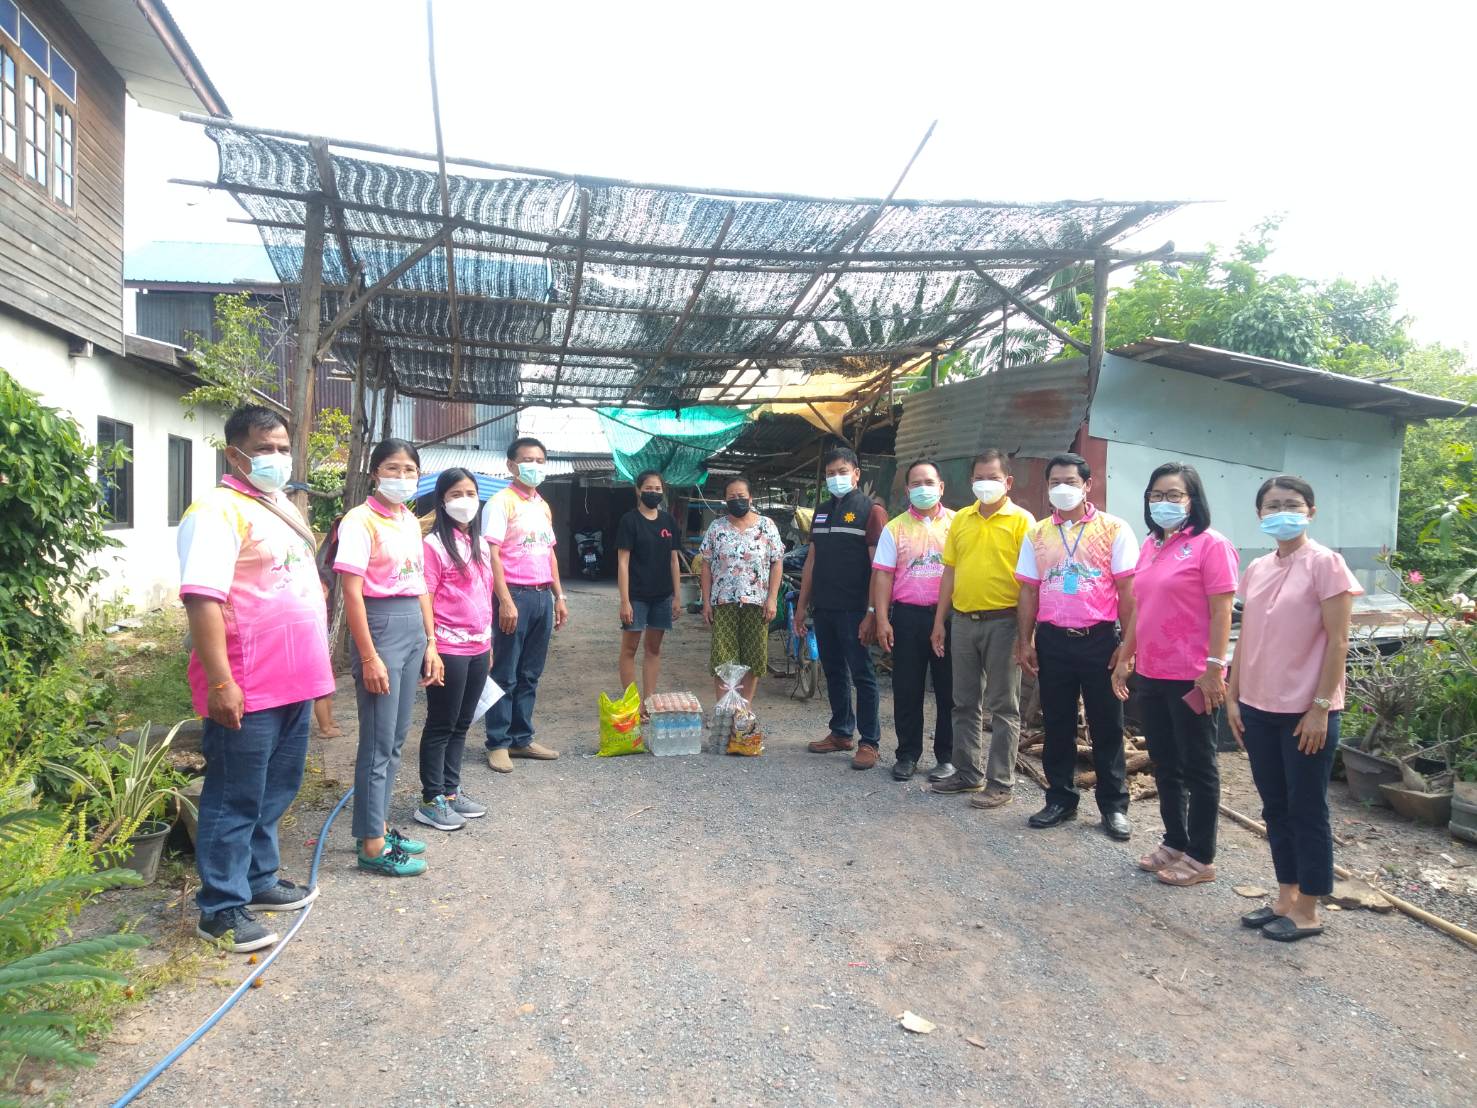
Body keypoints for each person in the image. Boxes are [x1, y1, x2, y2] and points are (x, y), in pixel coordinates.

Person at [177, 404, 334, 952]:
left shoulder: (279, 506)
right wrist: (222, 683)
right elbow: (202, 599)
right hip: (248, 680)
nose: (276, 457)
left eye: (283, 448)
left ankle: (259, 878)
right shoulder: (216, 510)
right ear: (234, 453)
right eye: (264, 448)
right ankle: (220, 908)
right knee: (235, 795)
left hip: (295, 677)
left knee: (277, 787)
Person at [1227, 475, 1360, 942]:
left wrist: (1321, 707)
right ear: (1259, 514)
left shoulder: (1326, 564)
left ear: (1311, 512)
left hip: (1306, 711)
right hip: (1258, 706)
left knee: (1306, 808)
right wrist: (1233, 696)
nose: (1281, 512)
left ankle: (1309, 909)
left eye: (1292, 504)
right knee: (1275, 806)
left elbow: (1338, 641)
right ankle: (1285, 896)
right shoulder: (1259, 568)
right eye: (1272, 505)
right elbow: (1246, 637)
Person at [1112, 463, 1239, 886]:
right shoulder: (1152, 544)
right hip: (1153, 670)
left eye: (1173, 495)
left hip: (1193, 675)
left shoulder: (1211, 545)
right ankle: (1175, 841)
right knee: (1165, 762)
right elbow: (1141, 609)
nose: (1163, 502)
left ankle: (1201, 857)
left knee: (1198, 765)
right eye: (1156, 495)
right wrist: (1126, 657)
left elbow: (1222, 611)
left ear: (1192, 499)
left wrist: (1214, 669)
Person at [1015, 452, 1138, 840]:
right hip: (1053, 640)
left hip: (1099, 639)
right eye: (1055, 483)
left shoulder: (1114, 529)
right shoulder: (1037, 534)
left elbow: (1129, 592)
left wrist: (1127, 646)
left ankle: (1113, 807)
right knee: (1057, 722)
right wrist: (1025, 640)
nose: (1062, 489)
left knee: (1107, 724)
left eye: (1070, 482)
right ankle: (1060, 799)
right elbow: (1028, 590)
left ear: (1088, 485)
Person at [336, 438, 444, 877]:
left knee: (396, 738)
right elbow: (351, 592)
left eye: (409, 470)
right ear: (375, 473)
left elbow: (420, 585)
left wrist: (431, 642)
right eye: (392, 468)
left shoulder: (408, 520)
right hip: (379, 625)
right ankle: (371, 846)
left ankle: (376, 824)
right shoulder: (359, 521)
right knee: (377, 742)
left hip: (412, 626)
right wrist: (368, 657)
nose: (401, 477)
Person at [928, 450, 1036, 805]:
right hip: (963, 621)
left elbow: (1030, 583)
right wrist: (940, 621)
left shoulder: (1023, 522)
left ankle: (1000, 782)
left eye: (993, 478)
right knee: (963, 702)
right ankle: (967, 773)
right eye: (979, 478)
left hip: (1004, 622)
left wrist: (1026, 635)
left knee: (1004, 706)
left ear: (1008, 482)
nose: (984, 484)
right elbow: (950, 571)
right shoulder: (961, 519)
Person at [798, 447, 888, 770]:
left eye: (842, 472)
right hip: (824, 607)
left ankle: (869, 742)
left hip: (855, 609)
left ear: (856, 474)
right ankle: (841, 732)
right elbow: (812, 561)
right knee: (834, 670)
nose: (836, 478)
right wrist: (801, 606)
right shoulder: (821, 512)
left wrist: (872, 612)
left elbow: (879, 568)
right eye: (830, 473)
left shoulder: (871, 512)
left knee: (862, 674)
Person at [414, 468, 493, 833]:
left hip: (478, 645)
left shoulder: (477, 543)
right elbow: (425, 596)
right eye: (456, 494)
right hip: (447, 646)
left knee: (462, 723)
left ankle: (450, 789)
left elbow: (484, 595)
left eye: (471, 493)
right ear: (442, 501)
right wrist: (430, 645)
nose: (465, 501)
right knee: (442, 723)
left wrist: (488, 642)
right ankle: (431, 800)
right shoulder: (433, 546)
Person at [482, 436, 568, 772]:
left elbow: (550, 553)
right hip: (514, 595)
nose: (534, 466)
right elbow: (491, 554)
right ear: (511, 465)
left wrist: (559, 596)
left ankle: (521, 738)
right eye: (527, 460)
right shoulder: (500, 503)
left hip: (542, 595)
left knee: (530, 673)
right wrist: (504, 600)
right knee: (505, 672)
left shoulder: (542, 505)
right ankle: (498, 742)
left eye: (540, 460)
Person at [871, 460, 956, 781]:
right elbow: (883, 575)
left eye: (929, 482)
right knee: (907, 688)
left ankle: (947, 757)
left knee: (950, 691)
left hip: (949, 618)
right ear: (907, 490)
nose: (923, 489)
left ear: (941, 487)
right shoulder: (895, 528)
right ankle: (907, 755)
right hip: (907, 617)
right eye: (916, 483)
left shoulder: (958, 524)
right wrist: (882, 619)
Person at [699, 475, 784, 706]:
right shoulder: (717, 528)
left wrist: (772, 599)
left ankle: (743, 711)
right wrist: (706, 602)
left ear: (751, 498)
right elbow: (706, 565)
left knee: (753, 656)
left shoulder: (767, 526)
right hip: (723, 602)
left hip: (757, 603)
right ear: (725, 500)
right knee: (722, 658)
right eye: (732, 497)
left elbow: (777, 562)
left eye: (741, 496)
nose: (737, 500)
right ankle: (724, 709)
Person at [616, 469, 682, 707]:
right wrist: (625, 601)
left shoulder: (668, 521)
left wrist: (676, 596)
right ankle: (633, 704)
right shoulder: (629, 521)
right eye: (648, 489)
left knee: (653, 648)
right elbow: (623, 563)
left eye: (657, 489)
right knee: (630, 649)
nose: (653, 493)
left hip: (662, 596)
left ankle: (650, 701)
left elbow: (674, 561)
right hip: (637, 597)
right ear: (638, 490)